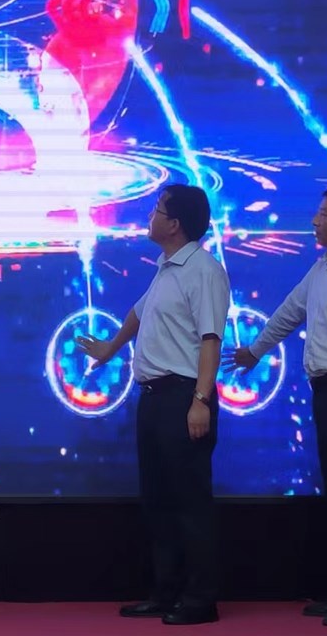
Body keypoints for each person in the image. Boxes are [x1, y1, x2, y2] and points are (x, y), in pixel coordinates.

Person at [224, 187, 327, 627]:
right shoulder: (322, 269)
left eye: (323, 214)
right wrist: (255, 351)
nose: (315, 221)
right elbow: (288, 313)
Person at [79, 184, 230, 626]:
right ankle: (166, 593)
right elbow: (139, 312)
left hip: (184, 397)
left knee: (189, 502)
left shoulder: (204, 270)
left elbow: (211, 340)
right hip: (154, 399)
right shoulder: (167, 268)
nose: (150, 216)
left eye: (157, 210)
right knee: (159, 501)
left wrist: (201, 399)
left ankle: (200, 599)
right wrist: (110, 348)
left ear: (175, 223)